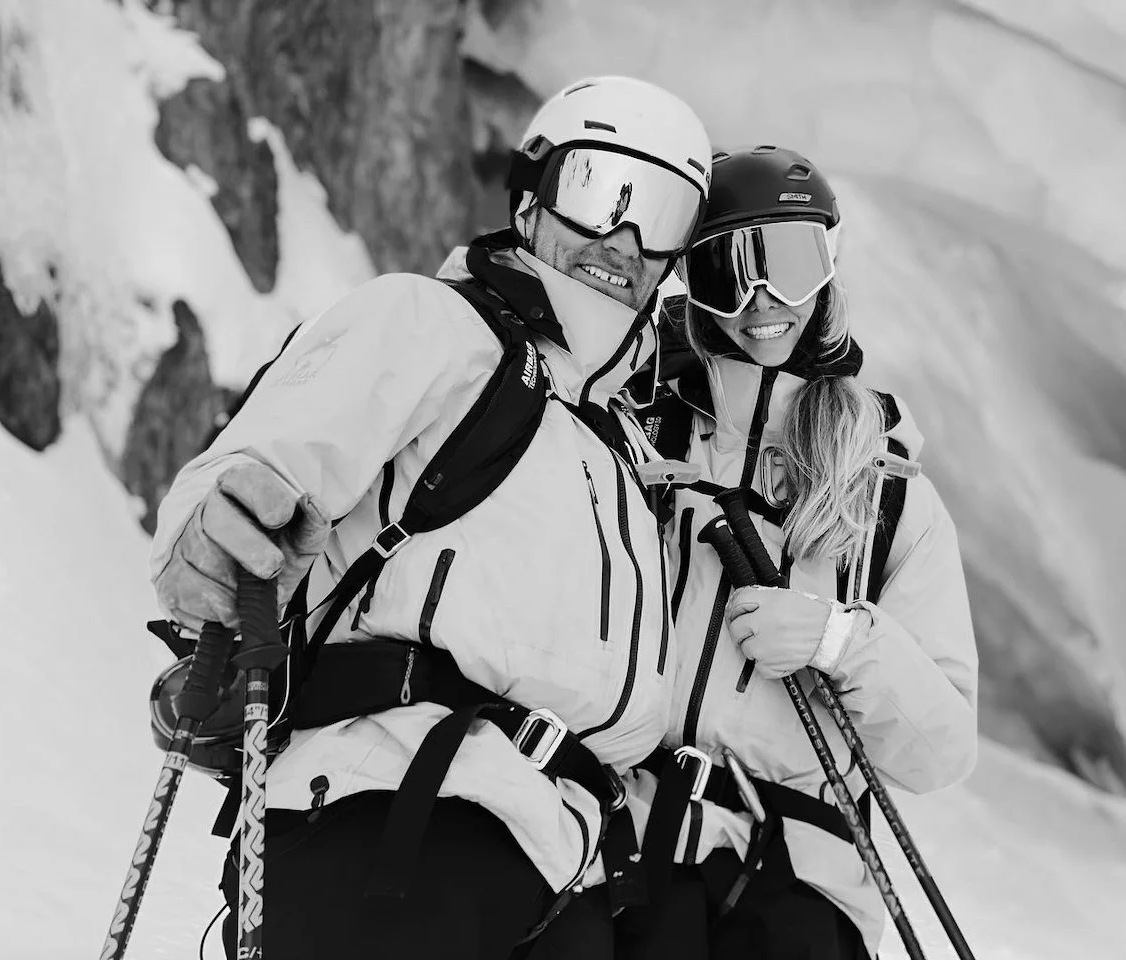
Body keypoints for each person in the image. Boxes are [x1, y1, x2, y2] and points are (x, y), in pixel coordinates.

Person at [148, 76, 713, 960]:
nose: (625, 239)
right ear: (530, 204)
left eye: (664, 215)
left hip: (568, 875)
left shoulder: (626, 461)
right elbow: (263, 462)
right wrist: (225, 528)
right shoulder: (435, 326)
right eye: (599, 194)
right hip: (395, 818)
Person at [603, 145, 980, 959]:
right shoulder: (643, 436)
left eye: (790, 263)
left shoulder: (888, 497)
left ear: (831, 268)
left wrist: (837, 638)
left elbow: (941, 749)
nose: (761, 300)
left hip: (801, 877)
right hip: (624, 838)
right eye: (726, 272)